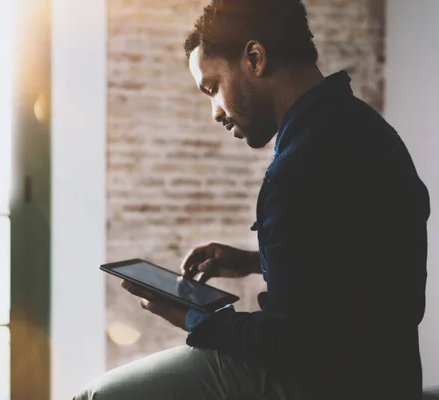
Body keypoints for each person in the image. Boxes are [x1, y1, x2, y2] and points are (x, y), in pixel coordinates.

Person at [74, 0, 430, 399]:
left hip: (322, 382)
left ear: (255, 58)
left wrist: (192, 317)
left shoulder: (298, 167)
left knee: (97, 396)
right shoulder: (369, 131)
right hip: (392, 376)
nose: (215, 112)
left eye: (212, 88)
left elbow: (289, 341)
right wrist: (251, 261)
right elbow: (352, 276)